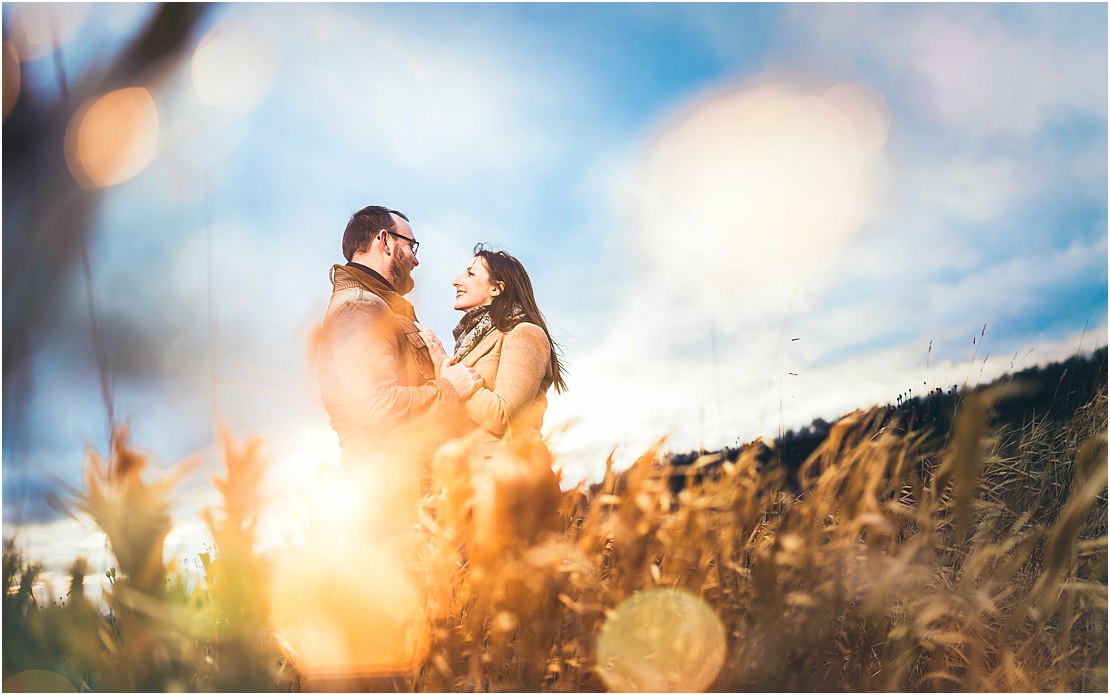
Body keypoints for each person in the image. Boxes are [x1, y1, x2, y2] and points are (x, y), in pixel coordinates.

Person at [317, 205, 483, 477]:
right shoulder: (361, 308)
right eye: (411, 246)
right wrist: (450, 388)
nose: (415, 260)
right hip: (392, 487)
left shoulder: (378, 307)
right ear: (384, 241)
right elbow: (376, 404)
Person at [418, 244, 567, 459]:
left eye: (470, 274)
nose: (456, 281)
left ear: (496, 288)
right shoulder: (470, 343)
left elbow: (505, 418)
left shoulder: (525, 334)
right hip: (465, 478)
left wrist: (456, 378)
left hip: (509, 477)